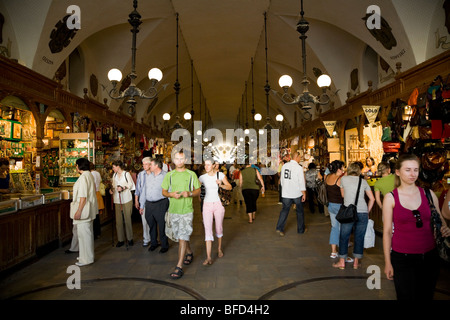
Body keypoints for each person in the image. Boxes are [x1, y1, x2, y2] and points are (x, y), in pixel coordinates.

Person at [382, 154, 450, 300]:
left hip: (429, 257)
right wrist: (388, 262)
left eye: (416, 170)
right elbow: (387, 232)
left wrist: (444, 228)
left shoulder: (429, 194)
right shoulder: (391, 198)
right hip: (402, 259)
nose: (413, 174)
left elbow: (440, 220)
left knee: (426, 296)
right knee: (406, 296)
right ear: (398, 172)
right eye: (408, 170)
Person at [161, 151, 201, 279]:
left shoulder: (191, 174)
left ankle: (179, 267)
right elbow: (164, 191)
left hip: (186, 210)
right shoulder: (169, 175)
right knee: (180, 236)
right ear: (174, 160)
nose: (179, 161)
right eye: (177, 158)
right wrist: (171, 194)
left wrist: (189, 193)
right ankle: (189, 252)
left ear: (186, 160)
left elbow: (198, 190)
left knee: (182, 236)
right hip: (173, 210)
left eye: (181, 158)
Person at [333, 162, 375, 270]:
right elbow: (372, 199)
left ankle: (342, 261)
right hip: (363, 212)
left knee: (344, 236)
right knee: (359, 237)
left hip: (349, 212)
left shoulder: (344, 179)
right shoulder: (363, 181)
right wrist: (367, 211)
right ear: (359, 171)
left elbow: (343, 195)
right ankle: (356, 262)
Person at [198, 158, 232, 265]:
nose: (206, 167)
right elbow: (196, 188)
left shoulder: (220, 175)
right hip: (207, 205)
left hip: (218, 204)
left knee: (218, 227)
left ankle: (219, 248)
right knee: (208, 230)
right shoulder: (202, 177)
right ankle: (208, 257)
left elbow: (230, 187)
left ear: (213, 165)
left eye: (208, 165)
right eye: (205, 165)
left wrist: (221, 184)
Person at [71, 158, 98, 266]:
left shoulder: (83, 178)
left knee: (83, 235)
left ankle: (85, 259)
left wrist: (78, 211)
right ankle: (86, 256)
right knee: (87, 234)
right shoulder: (89, 175)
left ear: (79, 166)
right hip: (90, 209)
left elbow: (83, 197)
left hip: (84, 210)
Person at [141, 157, 169, 253]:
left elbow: (170, 190)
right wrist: (142, 205)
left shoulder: (166, 176)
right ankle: (154, 243)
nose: (149, 166)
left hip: (160, 203)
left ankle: (164, 245)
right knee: (151, 224)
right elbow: (144, 190)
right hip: (149, 204)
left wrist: (170, 206)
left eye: (151, 164)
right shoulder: (149, 176)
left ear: (156, 166)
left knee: (161, 225)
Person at [276, 151, 307, 236]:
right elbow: (301, 182)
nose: (300, 159)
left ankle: (279, 228)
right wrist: (303, 193)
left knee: (284, 210)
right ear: (296, 157)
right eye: (299, 157)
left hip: (286, 193)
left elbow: (282, 180)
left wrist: (285, 188)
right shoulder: (298, 168)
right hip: (296, 193)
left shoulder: (285, 166)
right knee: (299, 211)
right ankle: (301, 229)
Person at [110, 160, 135, 247]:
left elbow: (131, 184)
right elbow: (113, 185)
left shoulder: (126, 174)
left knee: (127, 219)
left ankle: (130, 238)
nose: (113, 169)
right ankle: (120, 239)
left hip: (126, 199)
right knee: (118, 220)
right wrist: (112, 190)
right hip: (117, 199)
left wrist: (123, 187)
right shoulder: (114, 175)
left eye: (113, 167)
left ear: (118, 166)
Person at [325, 160, 346, 259]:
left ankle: (333, 251)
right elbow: (343, 195)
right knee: (342, 229)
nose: (344, 169)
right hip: (339, 206)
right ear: (339, 169)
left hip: (331, 206)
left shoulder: (328, 177)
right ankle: (342, 251)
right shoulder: (340, 179)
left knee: (334, 227)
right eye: (343, 167)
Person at [134, 158, 151, 247]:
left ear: (150, 164)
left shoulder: (154, 174)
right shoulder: (140, 175)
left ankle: (154, 238)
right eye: (143, 164)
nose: (144, 166)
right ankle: (146, 239)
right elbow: (138, 189)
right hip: (143, 201)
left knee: (153, 221)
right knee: (144, 222)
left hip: (152, 201)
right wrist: (136, 200)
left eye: (146, 164)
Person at [90, 162, 104, 239]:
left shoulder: (91, 174)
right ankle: (98, 232)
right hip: (98, 193)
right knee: (97, 214)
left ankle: (95, 233)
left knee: (94, 214)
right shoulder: (97, 173)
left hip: (94, 193)